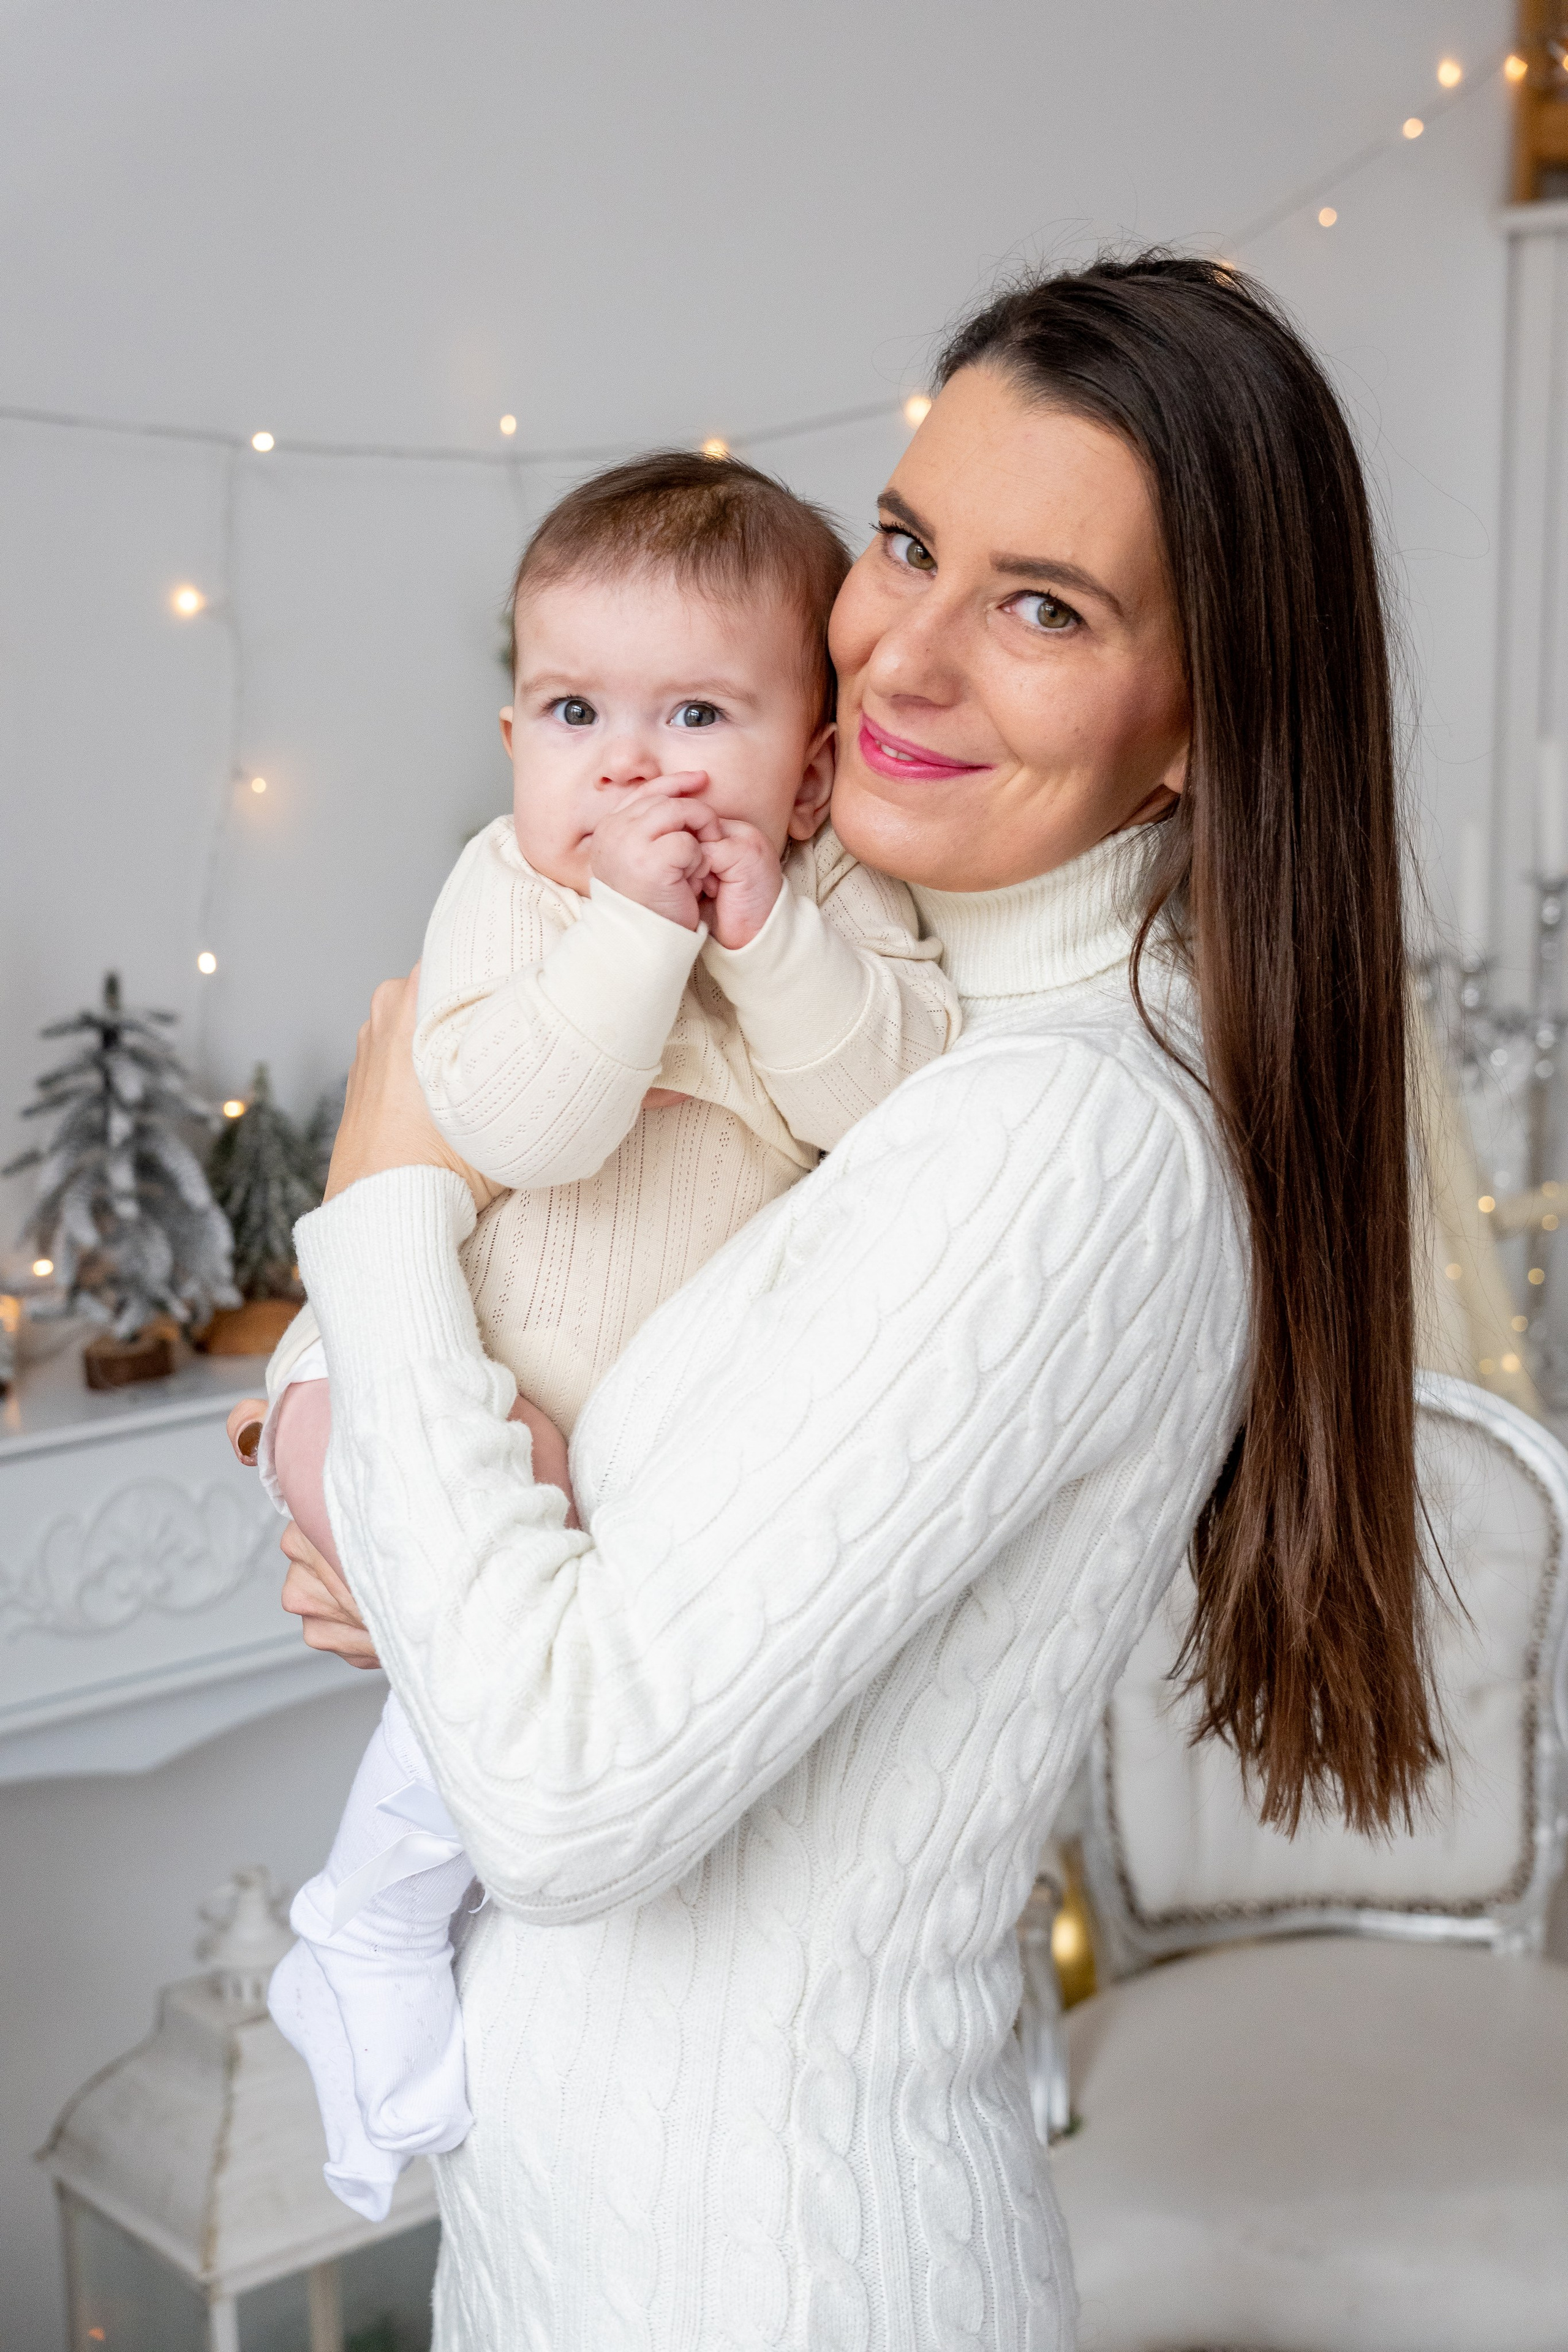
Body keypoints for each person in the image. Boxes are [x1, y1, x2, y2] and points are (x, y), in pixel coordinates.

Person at [260, 254, 1436, 2350]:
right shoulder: (873, 996)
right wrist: (348, 1453)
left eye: (1045, 608)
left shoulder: (1058, 1138)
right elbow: (576, 1375)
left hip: (763, 2279)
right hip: (602, 2247)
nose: (900, 650)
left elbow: (562, 1789)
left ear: (1202, 726)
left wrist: (378, 1200)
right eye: (906, 542)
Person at [237, 453, 961, 2220]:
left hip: (604, 1471)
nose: (630, 767)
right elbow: (519, 1125)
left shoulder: (839, 908)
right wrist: (637, 929)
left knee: (535, 1654)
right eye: (577, 714)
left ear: (811, 768)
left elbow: (892, 1103)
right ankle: (378, 1923)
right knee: (474, 1545)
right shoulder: (516, 888)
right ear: (514, 742)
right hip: (401, 1361)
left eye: (696, 714)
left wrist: (768, 939)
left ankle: (371, 1919)